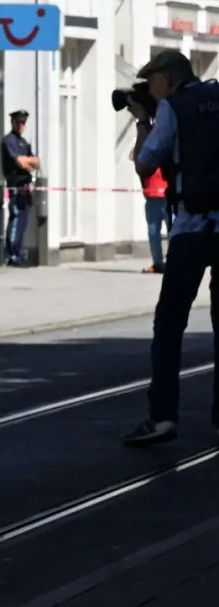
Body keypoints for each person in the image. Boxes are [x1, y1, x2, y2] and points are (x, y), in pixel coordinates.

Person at [123, 49, 219, 446]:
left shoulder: (173, 108)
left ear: (167, 78)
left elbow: (146, 163)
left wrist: (143, 119)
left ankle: (162, 416)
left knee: (169, 324)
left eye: (152, 82)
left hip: (193, 227)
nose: (151, 89)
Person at [130, 99, 169, 274]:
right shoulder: (146, 144)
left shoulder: (166, 143)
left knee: (173, 232)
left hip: (167, 196)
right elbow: (135, 157)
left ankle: (174, 261)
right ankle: (158, 262)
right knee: (153, 232)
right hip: (152, 196)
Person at [1, 110, 40, 266]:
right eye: (19, 122)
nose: (21, 125)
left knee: (23, 222)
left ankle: (19, 251)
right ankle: (12, 254)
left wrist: (28, 161)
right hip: (16, 187)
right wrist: (27, 161)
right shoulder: (8, 141)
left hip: (26, 187)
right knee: (16, 220)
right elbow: (21, 163)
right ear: (13, 122)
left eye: (23, 122)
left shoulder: (24, 142)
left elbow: (36, 163)